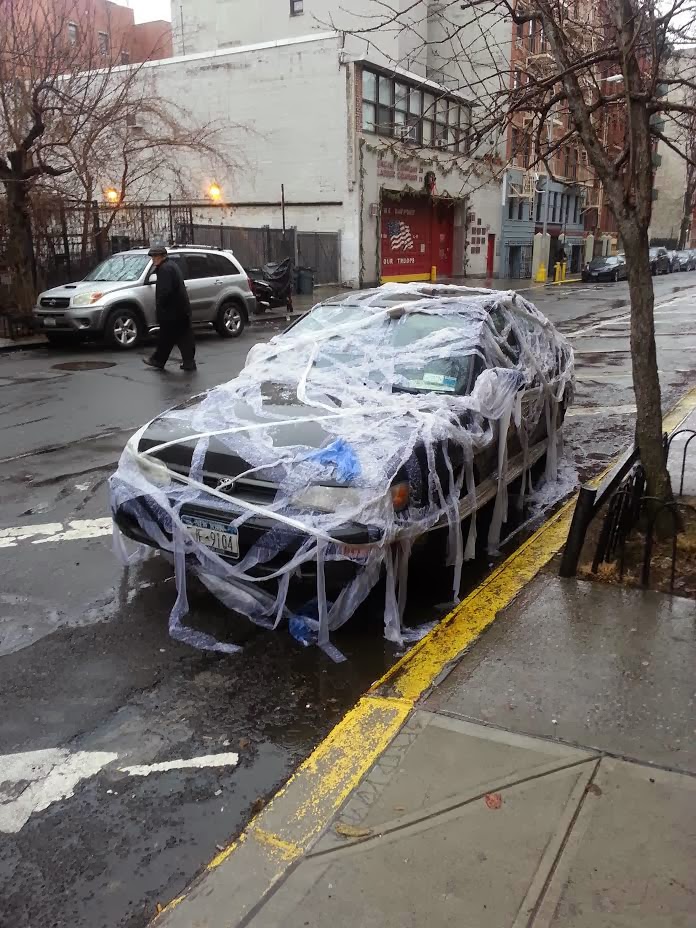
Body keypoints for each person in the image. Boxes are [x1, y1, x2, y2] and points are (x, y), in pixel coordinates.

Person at [143, 245, 196, 372]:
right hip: (181, 309)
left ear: (162, 256)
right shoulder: (171, 266)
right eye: (152, 256)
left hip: (172, 311)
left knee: (168, 337)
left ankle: (159, 360)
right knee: (181, 337)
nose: (153, 259)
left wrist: (160, 306)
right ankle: (187, 362)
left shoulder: (165, 269)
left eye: (155, 256)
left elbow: (165, 291)